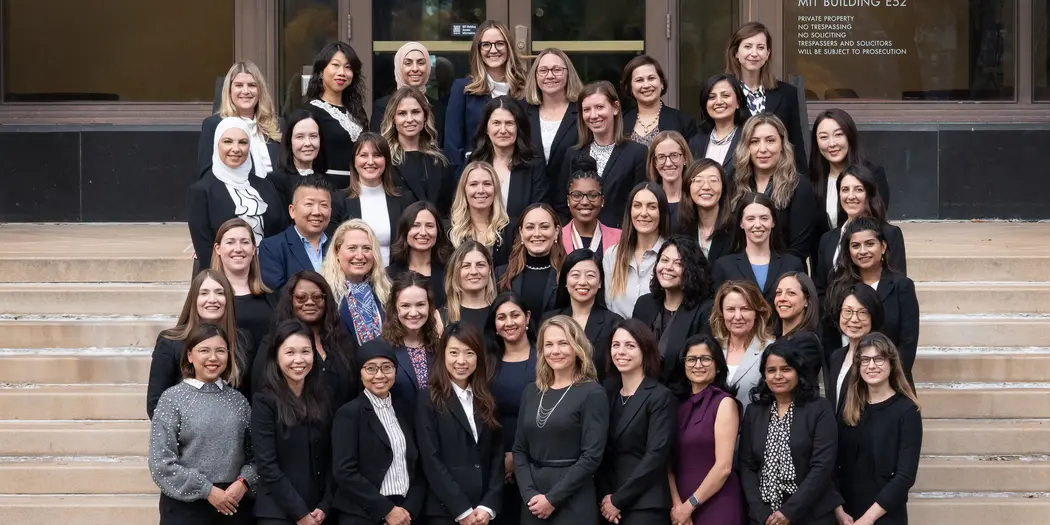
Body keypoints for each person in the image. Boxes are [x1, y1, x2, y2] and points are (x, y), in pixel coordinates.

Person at [149, 323, 258, 525]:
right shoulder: (172, 399)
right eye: (204, 350)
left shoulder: (239, 401)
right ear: (190, 355)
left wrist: (244, 483)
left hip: (234, 506)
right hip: (185, 510)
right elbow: (161, 464)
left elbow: (257, 456)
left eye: (220, 351)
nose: (213, 358)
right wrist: (207, 490)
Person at [513, 316, 609, 525]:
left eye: (563, 343)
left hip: (572, 498)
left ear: (577, 347)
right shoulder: (531, 391)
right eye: (549, 344)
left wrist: (552, 499)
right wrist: (529, 494)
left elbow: (591, 456)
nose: (555, 351)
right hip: (533, 500)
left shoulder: (592, 392)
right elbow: (519, 449)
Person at [738, 344, 842, 525]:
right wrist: (762, 514)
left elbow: (822, 466)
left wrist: (788, 512)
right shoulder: (754, 412)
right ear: (764, 375)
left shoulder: (819, 408)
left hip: (810, 514)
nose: (778, 376)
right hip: (763, 517)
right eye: (771, 370)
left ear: (798, 372)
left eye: (786, 369)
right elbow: (747, 466)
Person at [416, 322, 505, 525]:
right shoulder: (428, 399)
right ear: (443, 355)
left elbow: (496, 454)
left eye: (469, 353)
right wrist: (462, 510)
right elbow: (430, 458)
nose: (461, 361)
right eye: (454, 353)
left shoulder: (487, 399)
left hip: (483, 513)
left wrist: (488, 505)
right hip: (446, 512)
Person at [330, 342, 425, 525]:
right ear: (360, 373)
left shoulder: (404, 411)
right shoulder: (349, 413)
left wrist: (409, 510)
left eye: (386, 367)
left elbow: (417, 467)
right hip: (363, 515)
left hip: (404, 515)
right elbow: (344, 472)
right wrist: (387, 511)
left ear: (395, 371)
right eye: (371, 368)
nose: (379, 375)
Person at [251, 319, 333, 525]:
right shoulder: (264, 401)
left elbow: (330, 456)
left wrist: (325, 505)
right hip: (278, 513)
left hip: (318, 512)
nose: (299, 359)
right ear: (276, 357)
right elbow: (267, 466)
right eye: (290, 352)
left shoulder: (321, 397)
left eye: (305, 351)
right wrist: (300, 513)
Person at [835, 333, 922, 525]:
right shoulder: (849, 407)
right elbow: (833, 462)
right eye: (865, 360)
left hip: (885, 515)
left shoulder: (907, 411)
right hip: (846, 515)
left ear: (891, 363)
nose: (871, 365)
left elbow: (905, 476)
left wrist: (867, 519)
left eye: (878, 359)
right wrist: (838, 509)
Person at [598, 319, 676, 525]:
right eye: (616, 345)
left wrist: (618, 500)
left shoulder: (660, 396)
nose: (621, 352)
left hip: (645, 504)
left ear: (645, 350)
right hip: (609, 505)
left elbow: (656, 456)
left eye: (630, 345)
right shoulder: (608, 394)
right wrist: (607, 498)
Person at [824, 217, 919, 385]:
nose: (862, 251)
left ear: (883, 247)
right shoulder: (839, 287)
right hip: (849, 380)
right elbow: (831, 339)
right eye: (855, 246)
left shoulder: (901, 286)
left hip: (891, 382)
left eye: (869, 244)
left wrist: (887, 381)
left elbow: (908, 343)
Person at [189, 117, 288, 270]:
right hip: (222, 278)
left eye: (243, 142)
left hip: (268, 276)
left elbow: (281, 234)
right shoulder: (202, 191)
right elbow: (205, 249)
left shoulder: (266, 186)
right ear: (216, 144)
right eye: (228, 141)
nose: (236, 149)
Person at [146, 270, 249, 418]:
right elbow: (156, 404)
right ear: (194, 299)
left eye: (220, 293)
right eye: (204, 293)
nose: (212, 299)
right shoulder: (170, 342)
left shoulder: (242, 341)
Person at [667, 333, 744, 525]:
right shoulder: (675, 405)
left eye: (706, 359)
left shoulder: (724, 403)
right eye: (691, 359)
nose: (698, 365)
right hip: (680, 508)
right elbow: (668, 463)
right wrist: (678, 506)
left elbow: (724, 467)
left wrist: (689, 506)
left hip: (718, 504)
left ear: (717, 365)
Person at [251, 271, 357, 410]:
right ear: (290, 301)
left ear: (326, 301)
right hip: (292, 421)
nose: (310, 302)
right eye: (301, 297)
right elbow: (260, 389)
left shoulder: (342, 340)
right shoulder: (273, 342)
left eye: (317, 297)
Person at [555, 81, 648, 227]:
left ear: (615, 108)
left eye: (599, 107)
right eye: (587, 109)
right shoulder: (573, 154)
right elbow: (561, 206)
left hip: (621, 236)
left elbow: (641, 203)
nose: (593, 115)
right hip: (579, 237)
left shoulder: (637, 153)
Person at [730, 114, 817, 262]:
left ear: (782, 144)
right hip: (740, 271)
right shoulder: (734, 183)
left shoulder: (798, 185)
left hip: (786, 272)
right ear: (746, 147)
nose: (763, 149)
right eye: (754, 141)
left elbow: (799, 249)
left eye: (770, 141)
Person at [725, 22, 808, 173]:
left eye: (761, 47)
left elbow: (796, 143)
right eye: (748, 46)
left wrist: (803, 180)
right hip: (736, 176)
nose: (754, 53)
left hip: (780, 177)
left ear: (767, 54)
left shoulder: (787, 93)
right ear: (736, 52)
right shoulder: (724, 92)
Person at [485, 292, 538, 525]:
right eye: (501, 317)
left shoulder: (545, 358)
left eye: (515, 315)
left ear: (527, 317)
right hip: (494, 460)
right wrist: (501, 460)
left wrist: (517, 458)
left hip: (536, 458)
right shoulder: (486, 362)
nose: (509, 323)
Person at [445, 20, 527, 169]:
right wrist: (462, 177)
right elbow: (453, 146)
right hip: (474, 176)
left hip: (517, 172)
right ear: (478, 49)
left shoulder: (524, 89)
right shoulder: (462, 89)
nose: (493, 50)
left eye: (499, 44)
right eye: (486, 44)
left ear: (508, 47)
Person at [813, 166, 907, 293]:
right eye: (845, 190)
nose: (851, 196)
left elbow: (898, 286)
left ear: (869, 193)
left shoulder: (889, 233)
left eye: (858, 189)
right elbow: (821, 290)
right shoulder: (827, 239)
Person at [632, 236, 713, 382]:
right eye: (664, 260)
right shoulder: (644, 304)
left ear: (692, 270)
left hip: (683, 391)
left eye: (678, 263)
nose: (668, 267)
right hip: (643, 388)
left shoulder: (705, 310)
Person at [711, 192, 807, 307]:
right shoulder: (724, 266)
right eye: (750, 219)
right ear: (741, 223)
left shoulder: (793, 264)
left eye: (764, 218)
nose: (757, 224)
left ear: (773, 222)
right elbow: (717, 309)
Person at [544, 249, 623, 382]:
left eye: (590, 275)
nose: (582, 282)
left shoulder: (614, 323)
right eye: (575, 275)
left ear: (600, 282)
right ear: (565, 280)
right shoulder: (549, 320)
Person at [329, 133, 408, 262]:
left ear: (386, 161)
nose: (370, 162)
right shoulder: (338, 200)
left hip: (395, 273)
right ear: (354, 161)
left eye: (377, 155)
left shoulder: (404, 199)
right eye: (363, 155)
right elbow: (332, 247)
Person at [367, 271, 441, 409]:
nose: (413, 313)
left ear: (429, 306)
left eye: (420, 304)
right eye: (405, 305)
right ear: (395, 308)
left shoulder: (440, 345)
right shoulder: (379, 348)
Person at [469, 95, 548, 224]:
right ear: (486, 129)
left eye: (509, 123)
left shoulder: (533, 165)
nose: (503, 130)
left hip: (520, 235)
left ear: (519, 127)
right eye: (496, 123)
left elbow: (539, 212)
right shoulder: (474, 163)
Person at [211, 218, 278, 372]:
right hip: (226, 378)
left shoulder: (271, 295)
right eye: (230, 242)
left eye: (245, 242)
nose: (238, 249)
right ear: (217, 248)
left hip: (266, 378)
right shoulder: (209, 297)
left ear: (254, 249)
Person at [809, 108, 891, 231]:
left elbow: (876, 224)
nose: (832, 143)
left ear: (850, 136)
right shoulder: (811, 180)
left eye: (838, 135)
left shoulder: (873, 175)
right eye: (824, 137)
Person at [197, 61, 281, 177]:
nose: (246, 91)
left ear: (260, 90)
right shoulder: (214, 125)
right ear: (229, 90)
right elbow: (207, 174)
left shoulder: (276, 126)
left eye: (252, 85)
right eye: (239, 85)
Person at [304, 42, 369, 186]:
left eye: (348, 67)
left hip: (360, 187)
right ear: (321, 71)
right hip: (328, 188)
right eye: (335, 65)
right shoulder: (310, 111)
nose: (342, 72)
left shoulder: (357, 111)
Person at [381, 87, 456, 213]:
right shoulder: (384, 161)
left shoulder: (441, 161)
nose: (410, 119)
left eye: (416, 112)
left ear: (425, 116)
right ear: (393, 119)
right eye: (402, 113)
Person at [603, 182, 671, 318]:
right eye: (637, 205)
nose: (643, 213)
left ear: (662, 212)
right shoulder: (612, 255)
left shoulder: (672, 256)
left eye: (652, 207)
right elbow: (609, 307)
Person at [322, 219, 391, 346]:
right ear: (337, 252)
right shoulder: (323, 293)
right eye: (352, 248)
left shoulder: (386, 292)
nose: (359, 256)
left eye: (366, 248)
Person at [259, 174, 333, 291]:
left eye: (324, 205)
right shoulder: (272, 248)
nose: (317, 212)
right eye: (309, 204)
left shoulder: (338, 246)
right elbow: (276, 293)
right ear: (292, 211)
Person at [709, 280, 774, 413]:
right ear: (721, 313)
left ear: (757, 312)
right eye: (730, 309)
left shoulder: (771, 349)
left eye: (745, 309)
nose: (738, 316)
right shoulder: (712, 347)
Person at [496, 204, 565, 328]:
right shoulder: (502, 274)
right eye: (530, 227)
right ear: (521, 232)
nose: (537, 233)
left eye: (544, 227)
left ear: (556, 231)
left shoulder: (568, 273)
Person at [525, 48, 583, 189]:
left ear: (568, 74)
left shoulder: (583, 112)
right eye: (543, 70)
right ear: (535, 75)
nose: (550, 76)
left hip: (571, 196)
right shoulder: (523, 113)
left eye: (557, 70)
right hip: (530, 196)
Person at [372, 42, 447, 149]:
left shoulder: (439, 108)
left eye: (421, 63)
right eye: (408, 63)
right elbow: (377, 148)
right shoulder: (383, 106)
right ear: (399, 67)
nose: (415, 68)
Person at [825, 284, 885, 414]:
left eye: (862, 312)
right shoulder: (837, 356)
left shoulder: (879, 359)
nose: (854, 319)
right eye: (848, 311)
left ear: (873, 316)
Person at [387, 200, 453, 308]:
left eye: (429, 226)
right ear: (405, 231)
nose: (423, 233)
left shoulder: (450, 273)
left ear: (438, 231)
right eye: (415, 225)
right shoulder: (389, 276)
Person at [621, 55, 698, 145]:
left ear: (662, 83)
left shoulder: (683, 122)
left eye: (651, 78)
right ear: (630, 87)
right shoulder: (621, 121)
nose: (646, 85)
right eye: (639, 80)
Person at [448, 161, 513, 267]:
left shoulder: (510, 229)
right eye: (473, 184)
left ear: (495, 189)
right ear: (464, 189)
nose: (481, 190)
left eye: (487, 184)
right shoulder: (449, 231)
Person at [687, 74, 749, 181]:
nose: (719, 102)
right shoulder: (695, 142)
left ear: (738, 103)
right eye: (712, 97)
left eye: (725, 95)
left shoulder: (747, 138)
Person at [558, 157, 622, 258]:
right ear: (568, 200)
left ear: (602, 200)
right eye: (577, 195)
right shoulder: (556, 238)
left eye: (593, 195)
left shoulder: (620, 238)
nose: (585, 202)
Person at [270, 110, 338, 204]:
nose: (308, 143)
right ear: (289, 141)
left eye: (313, 136)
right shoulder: (275, 182)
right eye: (300, 137)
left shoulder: (329, 182)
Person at [772, 272, 823, 383]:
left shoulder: (807, 342)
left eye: (791, 293)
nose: (782, 298)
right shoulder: (774, 338)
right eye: (778, 293)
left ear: (807, 301)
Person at [678, 159, 732, 263]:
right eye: (698, 180)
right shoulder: (681, 229)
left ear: (723, 187)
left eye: (713, 180)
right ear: (688, 187)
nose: (706, 187)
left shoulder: (737, 230)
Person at [442, 240, 499, 332]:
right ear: (455, 272)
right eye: (466, 266)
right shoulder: (441, 318)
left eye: (480, 265)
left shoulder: (501, 315)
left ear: (489, 270)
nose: (474, 272)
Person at [646, 131, 693, 223]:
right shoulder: (647, 200)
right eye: (661, 157)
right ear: (655, 163)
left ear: (685, 158)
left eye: (674, 155)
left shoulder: (696, 199)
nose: (668, 163)